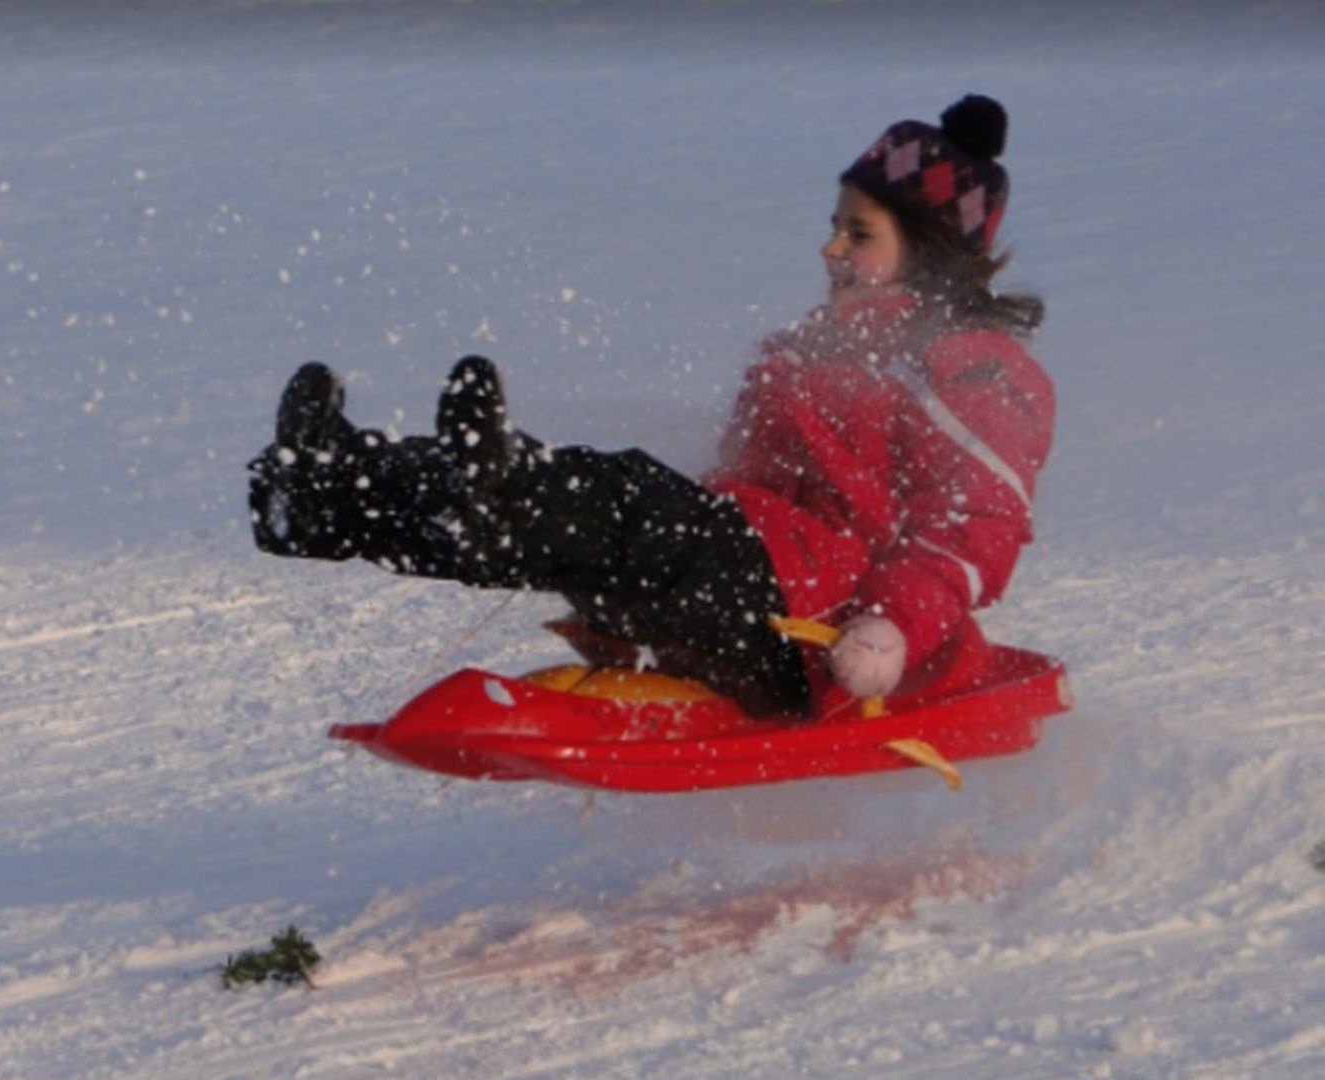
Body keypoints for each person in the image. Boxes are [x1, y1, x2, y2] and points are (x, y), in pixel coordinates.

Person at [247, 94, 1055, 720]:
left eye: (858, 233)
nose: (830, 248)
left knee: (626, 499)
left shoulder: (971, 370)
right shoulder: (803, 353)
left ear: (931, 254)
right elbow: (745, 481)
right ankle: (330, 493)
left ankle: (485, 498)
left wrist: (890, 630)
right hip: (742, 574)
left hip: (811, 629)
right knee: (578, 504)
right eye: (833, 227)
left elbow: (973, 530)